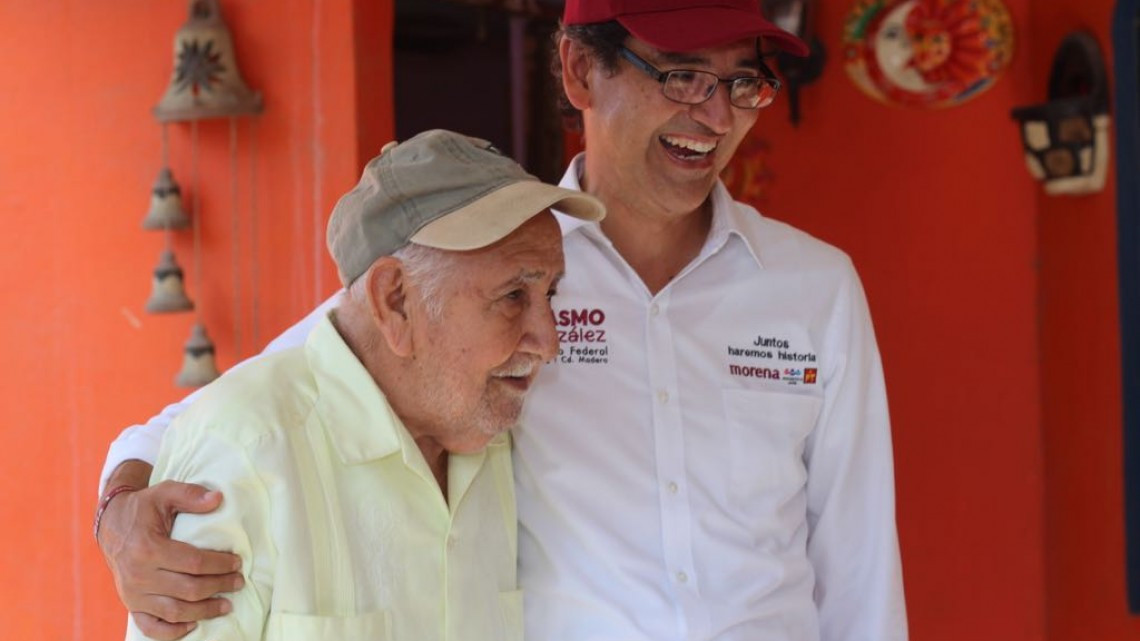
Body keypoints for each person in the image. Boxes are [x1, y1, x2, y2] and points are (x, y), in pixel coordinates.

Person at [98, 2, 908, 640]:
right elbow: (271, 394)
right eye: (682, 74)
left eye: (741, 82)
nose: (716, 115)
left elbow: (859, 562)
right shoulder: (489, 263)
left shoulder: (813, 287)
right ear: (580, 67)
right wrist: (123, 511)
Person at [113, 128, 605, 641]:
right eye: (511, 296)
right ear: (394, 300)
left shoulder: (488, 440)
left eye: (550, 293)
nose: (549, 342)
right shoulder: (245, 452)